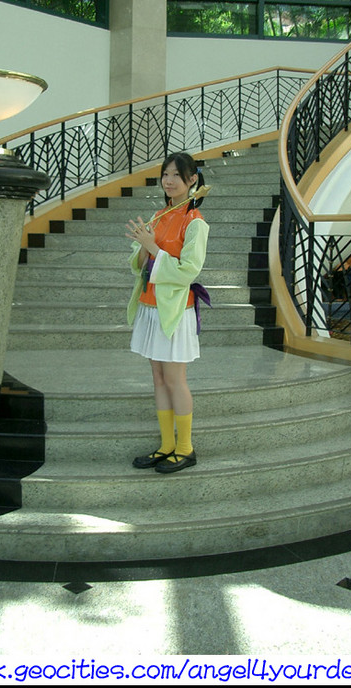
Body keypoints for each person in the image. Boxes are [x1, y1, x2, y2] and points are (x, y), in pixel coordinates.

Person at [125, 152, 210, 474]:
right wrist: (142, 245)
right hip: (150, 305)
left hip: (174, 309)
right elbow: (140, 264)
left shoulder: (195, 222)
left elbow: (189, 270)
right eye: (165, 174)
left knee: (175, 379)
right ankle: (166, 445)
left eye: (176, 175)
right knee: (159, 378)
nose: (169, 180)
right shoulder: (159, 215)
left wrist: (153, 247)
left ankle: (185, 448)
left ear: (192, 180)